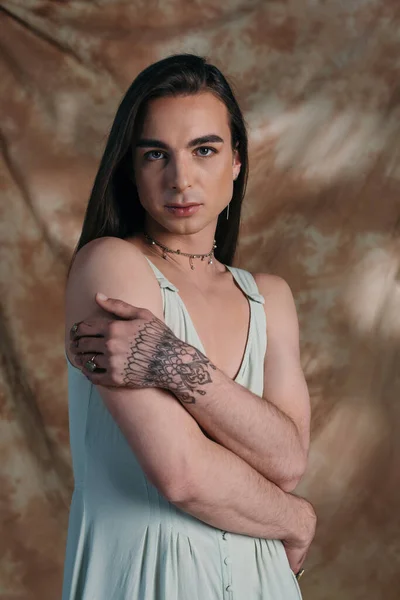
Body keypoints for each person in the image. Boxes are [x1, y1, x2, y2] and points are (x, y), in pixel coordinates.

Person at [62, 53, 316, 600]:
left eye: (205, 150)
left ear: (237, 163)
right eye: (156, 154)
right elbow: (181, 473)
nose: (181, 178)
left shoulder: (270, 297)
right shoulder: (110, 266)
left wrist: (171, 360)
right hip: (145, 581)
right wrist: (296, 522)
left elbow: (288, 459)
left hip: (264, 584)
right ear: (131, 169)